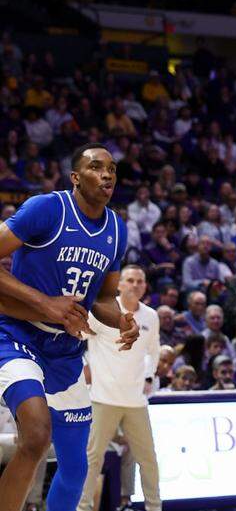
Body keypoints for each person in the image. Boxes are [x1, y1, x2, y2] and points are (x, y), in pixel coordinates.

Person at [0, 143, 140, 511]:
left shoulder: (116, 230)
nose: (107, 174)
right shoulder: (48, 208)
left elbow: (103, 300)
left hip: (66, 352)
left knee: (77, 468)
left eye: (112, 169)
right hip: (17, 335)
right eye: (97, 167)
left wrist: (122, 318)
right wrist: (44, 303)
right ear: (76, 177)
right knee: (35, 435)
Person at [79, 265, 162, 511]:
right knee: (92, 459)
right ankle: (82, 508)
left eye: (140, 281)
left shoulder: (151, 316)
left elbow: (154, 351)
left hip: (135, 401)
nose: (135, 285)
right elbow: (78, 340)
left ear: (145, 286)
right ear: (119, 284)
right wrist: (84, 367)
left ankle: (154, 507)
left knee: (148, 460)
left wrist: (149, 377)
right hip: (102, 398)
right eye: (130, 280)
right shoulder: (101, 310)